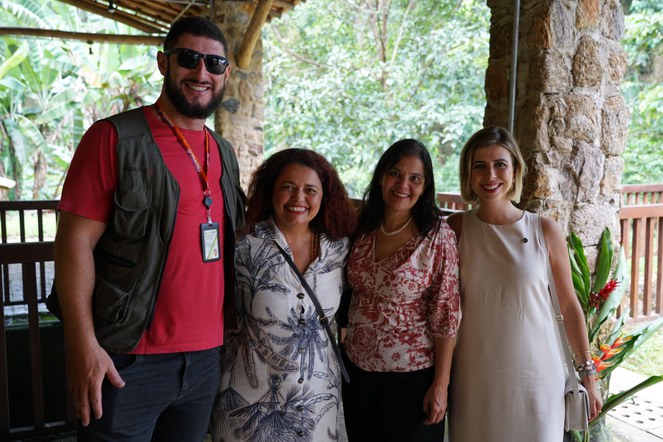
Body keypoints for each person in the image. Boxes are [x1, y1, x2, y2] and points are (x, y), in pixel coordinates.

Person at [50, 16, 245, 441]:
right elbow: (73, 243)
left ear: (226, 73)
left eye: (213, 64)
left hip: (205, 359)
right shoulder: (113, 138)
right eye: (189, 59)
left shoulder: (223, 152)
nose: (201, 73)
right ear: (163, 63)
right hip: (127, 359)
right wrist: (82, 344)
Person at [446, 126, 603, 441]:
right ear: (468, 174)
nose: (490, 174)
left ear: (515, 170)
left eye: (500, 164)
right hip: (474, 377)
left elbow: (570, 307)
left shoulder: (544, 229)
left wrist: (589, 375)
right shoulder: (456, 228)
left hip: (537, 377)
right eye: (480, 165)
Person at [211, 148, 356, 442]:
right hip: (251, 404)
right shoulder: (242, 244)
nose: (298, 198)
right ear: (271, 191)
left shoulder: (339, 247)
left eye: (310, 190)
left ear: (324, 196)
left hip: (317, 405)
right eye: (288, 187)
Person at [339, 139, 460, 441]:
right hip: (358, 374)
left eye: (415, 178)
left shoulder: (436, 235)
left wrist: (441, 385)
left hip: (413, 379)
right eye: (395, 173)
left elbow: (446, 313)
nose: (403, 184)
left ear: (425, 185)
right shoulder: (362, 225)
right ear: (381, 176)